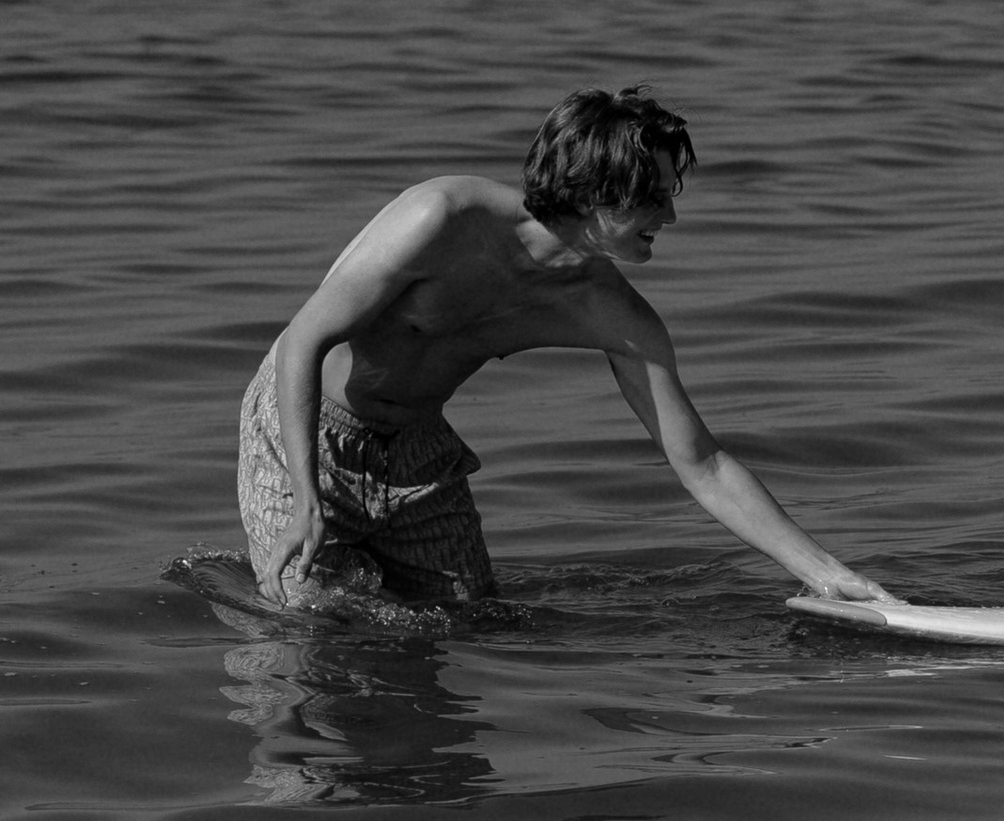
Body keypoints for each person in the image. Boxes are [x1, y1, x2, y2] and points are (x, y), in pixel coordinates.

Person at [236, 88, 884, 611]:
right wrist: (307, 498)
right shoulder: (442, 217)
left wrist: (827, 573)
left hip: (417, 450)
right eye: (652, 199)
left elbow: (703, 464)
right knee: (304, 623)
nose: (670, 218)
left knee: (465, 621)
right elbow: (303, 343)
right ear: (592, 192)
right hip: (302, 430)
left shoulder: (613, 314)